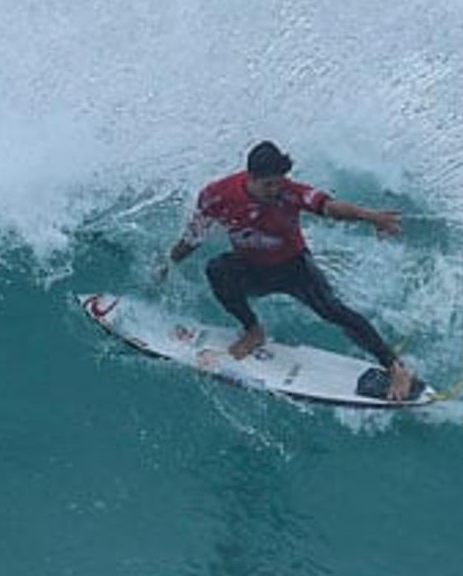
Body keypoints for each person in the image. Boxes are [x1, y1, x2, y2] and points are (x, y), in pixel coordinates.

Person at [162, 141, 415, 401]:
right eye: (268, 184)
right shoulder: (217, 195)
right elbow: (195, 235)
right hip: (252, 268)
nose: (275, 189)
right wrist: (169, 263)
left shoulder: (289, 192)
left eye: (279, 182)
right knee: (217, 269)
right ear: (251, 177)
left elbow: (329, 207)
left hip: (294, 267)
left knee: (333, 309)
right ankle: (252, 330)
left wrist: (370, 216)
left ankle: (395, 367)